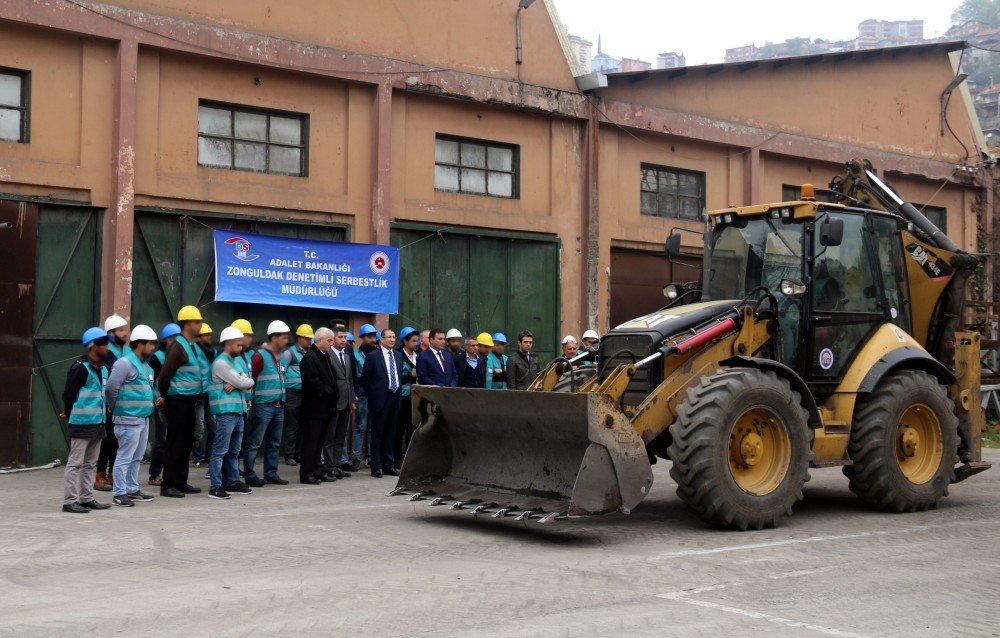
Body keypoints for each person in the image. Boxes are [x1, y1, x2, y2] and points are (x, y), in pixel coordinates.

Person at [156, 306, 209, 498]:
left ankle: (180, 481)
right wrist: (167, 397)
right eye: (197, 322)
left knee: (186, 442)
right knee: (175, 443)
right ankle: (168, 484)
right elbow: (164, 377)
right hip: (177, 401)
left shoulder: (190, 345)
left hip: (189, 400)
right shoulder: (178, 346)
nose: (200, 324)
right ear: (187, 324)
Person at [105, 324, 159, 507]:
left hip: (143, 418)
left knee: (136, 457)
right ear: (140, 344)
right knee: (124, 456)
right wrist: (114, 407)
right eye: (150, 344)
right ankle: (119, 493)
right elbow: (112, 387)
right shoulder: (124, 363)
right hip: (128, 418)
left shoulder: (146, 366)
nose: (153, 347)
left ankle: (132, 489)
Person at [60, 327, 113, 513]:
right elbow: (68, 394)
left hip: (98, 423)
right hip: (81, 423)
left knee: (91, 464)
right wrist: (69, 412)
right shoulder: (80, 368)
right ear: (93, 346)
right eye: (104, 343)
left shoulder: (104, 369)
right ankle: (70, 501)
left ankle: (86, 498)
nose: (107, 347)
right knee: (76, 463)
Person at [207, 326, 255, 499]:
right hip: (225, 413)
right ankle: (215, 487)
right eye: (238, 345)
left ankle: (232, 482)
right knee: (220, 451)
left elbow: (249, 382)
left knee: (233, 451)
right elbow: (244, 382)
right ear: (227, 344)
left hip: (238, 412)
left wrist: (238, 383)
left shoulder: (236, 362)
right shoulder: (221, 363)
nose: (241, 348)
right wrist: (241, 382)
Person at [244, 320, 291, 487]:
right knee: (255, 442)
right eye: (284, 337)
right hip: (263, 406)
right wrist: (249, 399)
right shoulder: (259, 356)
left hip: (279, 406)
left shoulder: (282, 357)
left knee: (274, 442)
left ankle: (271, 473)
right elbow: (250, 380)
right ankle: (249, 474)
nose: (286, 341)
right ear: (274, 338)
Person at [360, 329, 404, 478]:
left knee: (390, 433)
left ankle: (388, 464)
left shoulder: (398, 356)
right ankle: (376, 465)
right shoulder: (373, 356)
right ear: (381, 340)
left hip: (394, 397)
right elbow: (365, 379)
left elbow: (398, 376)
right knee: (377, 433)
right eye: (389, 337)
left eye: (394, 337)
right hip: (379, 398)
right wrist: (373, 393)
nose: (392, 339)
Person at [298, 327, 339, 484]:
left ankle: (317, 470)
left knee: (319, 442)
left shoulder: (324, 355)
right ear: (319, 340)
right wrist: (328, 390)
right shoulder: (310, 357)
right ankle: (306, 473)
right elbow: (311, 382)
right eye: (329, 340)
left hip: (325, 408)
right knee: (310, 442)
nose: (332, 343)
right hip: (314, 409)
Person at [94, 314, 130, 492]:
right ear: (110, 333)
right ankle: (99, 474)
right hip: (109, 401)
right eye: (121, 330)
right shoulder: (107, 353)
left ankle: (111, 474)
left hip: (122, 403)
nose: (125, 333)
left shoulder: (126, 351)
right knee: (106, 439)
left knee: (116, 440)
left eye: (126, 330)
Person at [148, 322, 180, 487]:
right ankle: (154, 475)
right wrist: (159, 398)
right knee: (161, 439)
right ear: (167, 339)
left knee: (172, 439)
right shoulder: (157, 358)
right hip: (160, 402)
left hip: (174, 401)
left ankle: (170, 472)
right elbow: (154, 382)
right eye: (174, 338)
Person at [323, 327, 354, 480]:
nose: (344, 340)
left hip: (346, 402)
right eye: (340, 337)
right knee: (330, 437)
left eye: (345, 337)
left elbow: (350, 380)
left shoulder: (347, 356)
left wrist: (352, 399)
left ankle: (336, 466)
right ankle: (328, 467)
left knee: (340, 436)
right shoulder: (327, 356)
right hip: (333, 403)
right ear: (333, 339)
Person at [281, 324, 312, 467]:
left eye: (310, 338)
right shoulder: (290, 353)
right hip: (293, 393)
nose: (309, 341)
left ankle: (298, 454)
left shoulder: (309, 352)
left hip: (305, 393)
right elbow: (281, 371)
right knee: (292, 425)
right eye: (306, 338)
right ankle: (289, 455)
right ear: (299, 338)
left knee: (303, 425)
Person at [352, 323, 379, 467]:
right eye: (369, 336)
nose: (372, 339)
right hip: (362, 395)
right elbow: (356, 376)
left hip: (375, 396)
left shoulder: (378, 354)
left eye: (374, 336)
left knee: (372, 427)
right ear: (362, 338)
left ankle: (370, 457)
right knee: (360, 427)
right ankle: (356, 457)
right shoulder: (356, 354)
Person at [193, 322, 216, 469]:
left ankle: (209, 457)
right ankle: (198, 457)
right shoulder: (193, 351)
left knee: (214, 428)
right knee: (199, 429)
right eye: (206, 335)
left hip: (210, 394)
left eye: (209, 335)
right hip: (198, 395)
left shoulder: (213, 352)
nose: (209, 337)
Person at [396, 327, 420, 462]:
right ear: (405, 341)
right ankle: (398, 457)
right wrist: (410, 375)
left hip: (416, 395)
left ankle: (410, 457)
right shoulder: (398, 355)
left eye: (417, 341)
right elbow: (395, 376)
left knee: (413, 427)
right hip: (403, 395)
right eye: (413, 341)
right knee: (400, 428)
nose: (416, 343)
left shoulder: (419, 355)